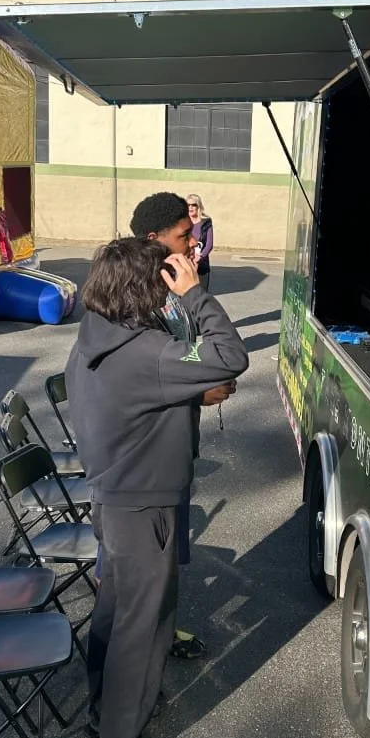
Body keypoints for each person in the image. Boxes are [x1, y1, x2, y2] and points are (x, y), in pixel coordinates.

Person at [66, 239, 249, 738]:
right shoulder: (148, 352)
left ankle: (106, 710)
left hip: (114, 497)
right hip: (146, 506)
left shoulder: (96, 335)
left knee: (116, 612)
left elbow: (132, 399)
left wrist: (187, 393)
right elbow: (230, 356)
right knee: (144, 628)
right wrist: (194, 295)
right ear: (144, 289)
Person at [129, 193, 235, 659]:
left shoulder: (168, 285)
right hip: (147, 460)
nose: (194, 242)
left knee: (171, 552)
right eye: (183, 234)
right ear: (154, 240)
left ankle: (163, 631)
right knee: (143, 562)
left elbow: (184, 355)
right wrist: (197, 393)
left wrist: (202, 381)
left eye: (192, 233)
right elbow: (136, 379)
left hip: (176, 446)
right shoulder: (135, 297)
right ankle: (137, 651)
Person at [186, 193, 214, 290]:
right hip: (187, 264)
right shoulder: (183, 222)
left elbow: (209, 245)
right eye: (188, 205)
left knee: (202, 293)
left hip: (202, 264)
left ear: (198, 206)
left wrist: (200, 257)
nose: (190, 207)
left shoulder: (206, 223)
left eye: (193, 205)